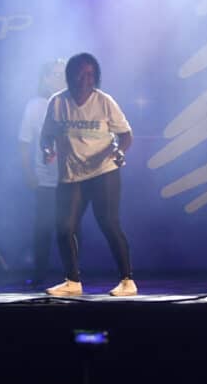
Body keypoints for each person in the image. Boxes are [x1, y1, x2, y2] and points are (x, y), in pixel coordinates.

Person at [40, 53, 136, 297]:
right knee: (64, 228)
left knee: (109, 224)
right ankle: (72, 281)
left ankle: (127, 281)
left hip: (103, 171)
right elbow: (46, 136)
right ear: (70, 75)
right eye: (81, 73)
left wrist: (119, 151)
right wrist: (47, 150)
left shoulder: (104, 102)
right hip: (71, 174)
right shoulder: (57, 102)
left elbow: (126, 135)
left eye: (91, 74)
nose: (86, 79)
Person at [17, 59, 65, 286]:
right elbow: (24, 142)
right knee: (43, 228)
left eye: (63, 75)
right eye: (56, 74)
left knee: (70, 229)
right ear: (45, 79)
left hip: (71, 179)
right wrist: (28, 172)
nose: (60, 79)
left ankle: (72, 276)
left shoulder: (75, 103)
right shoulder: (35, 106)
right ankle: (39, 275)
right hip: (45, 180)